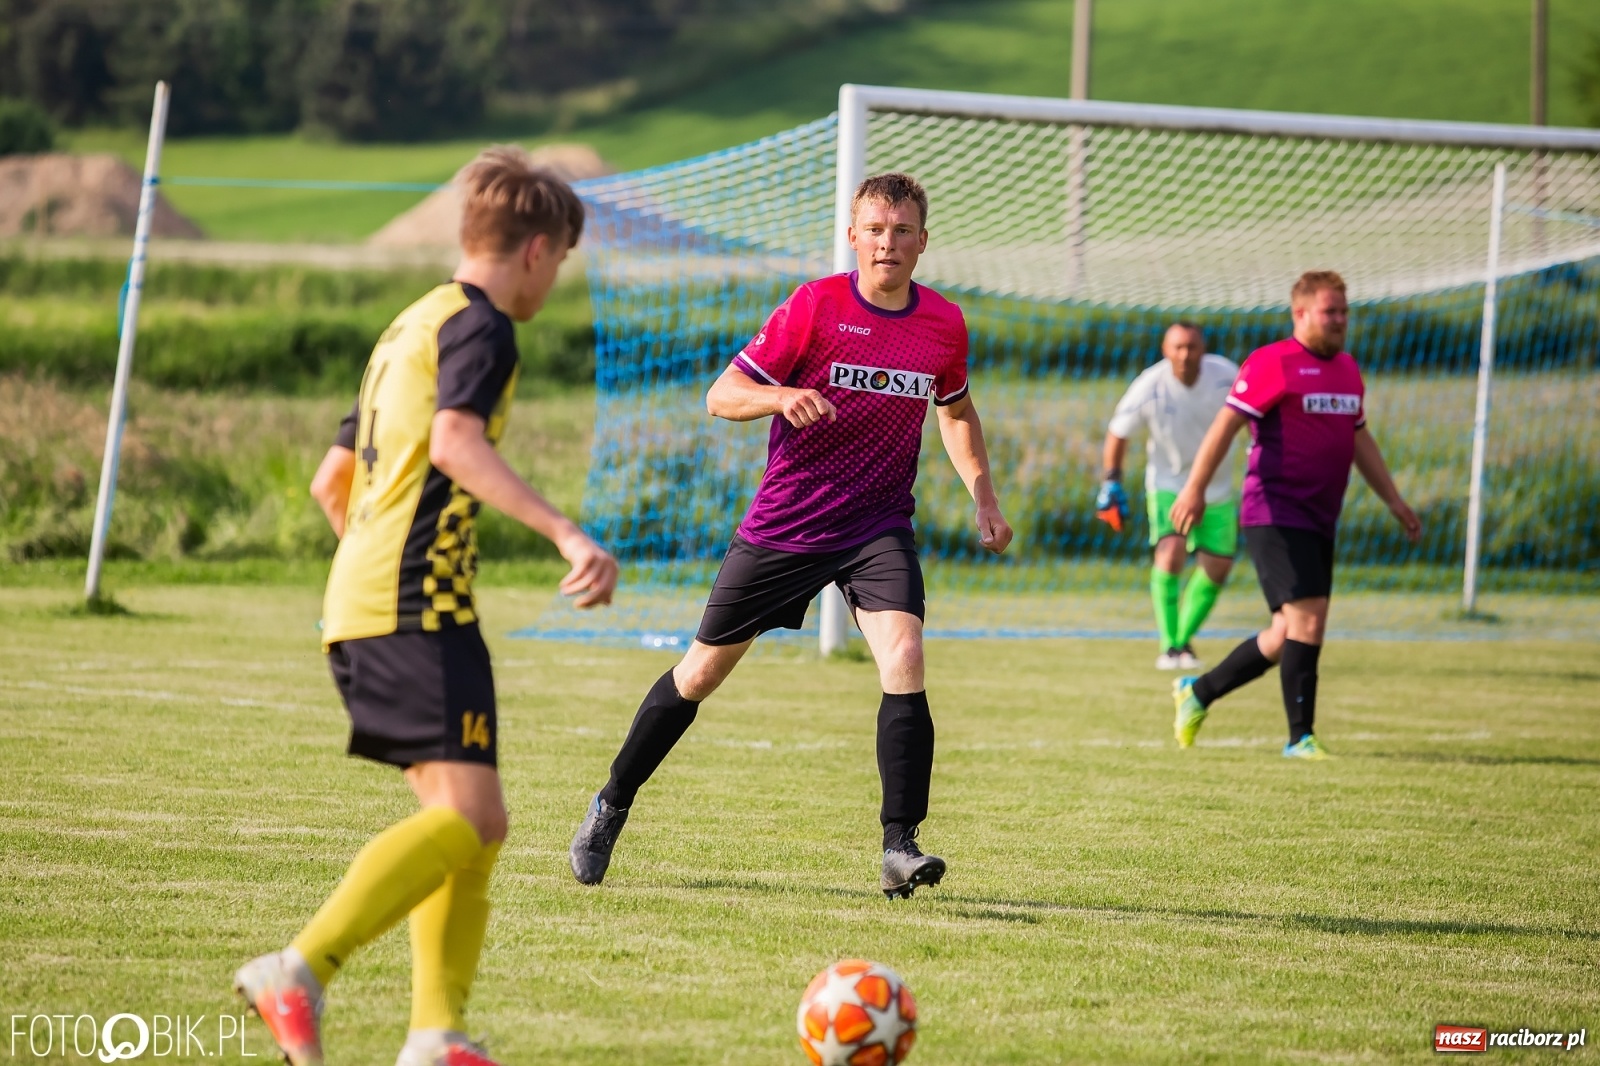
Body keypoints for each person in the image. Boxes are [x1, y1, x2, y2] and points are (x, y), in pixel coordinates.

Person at [232, 147, 619, 1066]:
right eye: (560, 261)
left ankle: (435, 1034)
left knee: (474, 823)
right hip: (416, 606)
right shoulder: (481, 327)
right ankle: (300, 968)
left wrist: (370, 568)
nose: (555, 280)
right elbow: (453, 443)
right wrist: (569, 533)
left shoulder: (411, 325)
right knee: (472, 821)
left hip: (368, 600)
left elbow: (334, 482)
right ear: (533, 249)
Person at [568, 172, 1013, 900]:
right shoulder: (817, 306)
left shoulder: (943, 324)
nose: (887, 244)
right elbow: (721, 396)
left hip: (878, 524)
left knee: (904, 652)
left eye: (902, 231)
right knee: (700, 674)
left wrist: (984, 497)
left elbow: (955, 410)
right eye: (875, 229)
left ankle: (900, 846)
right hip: (788, 524)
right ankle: (612, 801)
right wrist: (780, 395)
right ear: (853, 236)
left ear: (923, 243)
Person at [1167, 270, 1421, 759]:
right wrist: (1195, 489)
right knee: (1309, 622)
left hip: (1321, 516)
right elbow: (1225, 427)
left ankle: (1197, 693)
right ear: (1300, 313)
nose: (1340, 320)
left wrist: (1393, 498)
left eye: (1344, 311)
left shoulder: (1348, 369)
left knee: (1285, 634)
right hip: (1274, 512)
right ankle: (1299, 737)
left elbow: (1358, 437)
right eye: (1331, 312)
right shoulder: (1272, 363)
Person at [1097, 322, 1239, 669]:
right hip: (1168, 485)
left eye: (1191, 346)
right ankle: (1170, 645)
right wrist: (1111, 482)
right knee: (1171, 551)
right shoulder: (1150, 385)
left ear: (1203, 348)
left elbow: (1253, 417)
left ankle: (1182, 640)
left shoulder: (1226, 376)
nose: (1185, 354)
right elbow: (1118, 433)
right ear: (1165, 350)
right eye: (1178, 347)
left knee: (1218, 568)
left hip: (1216, 487)